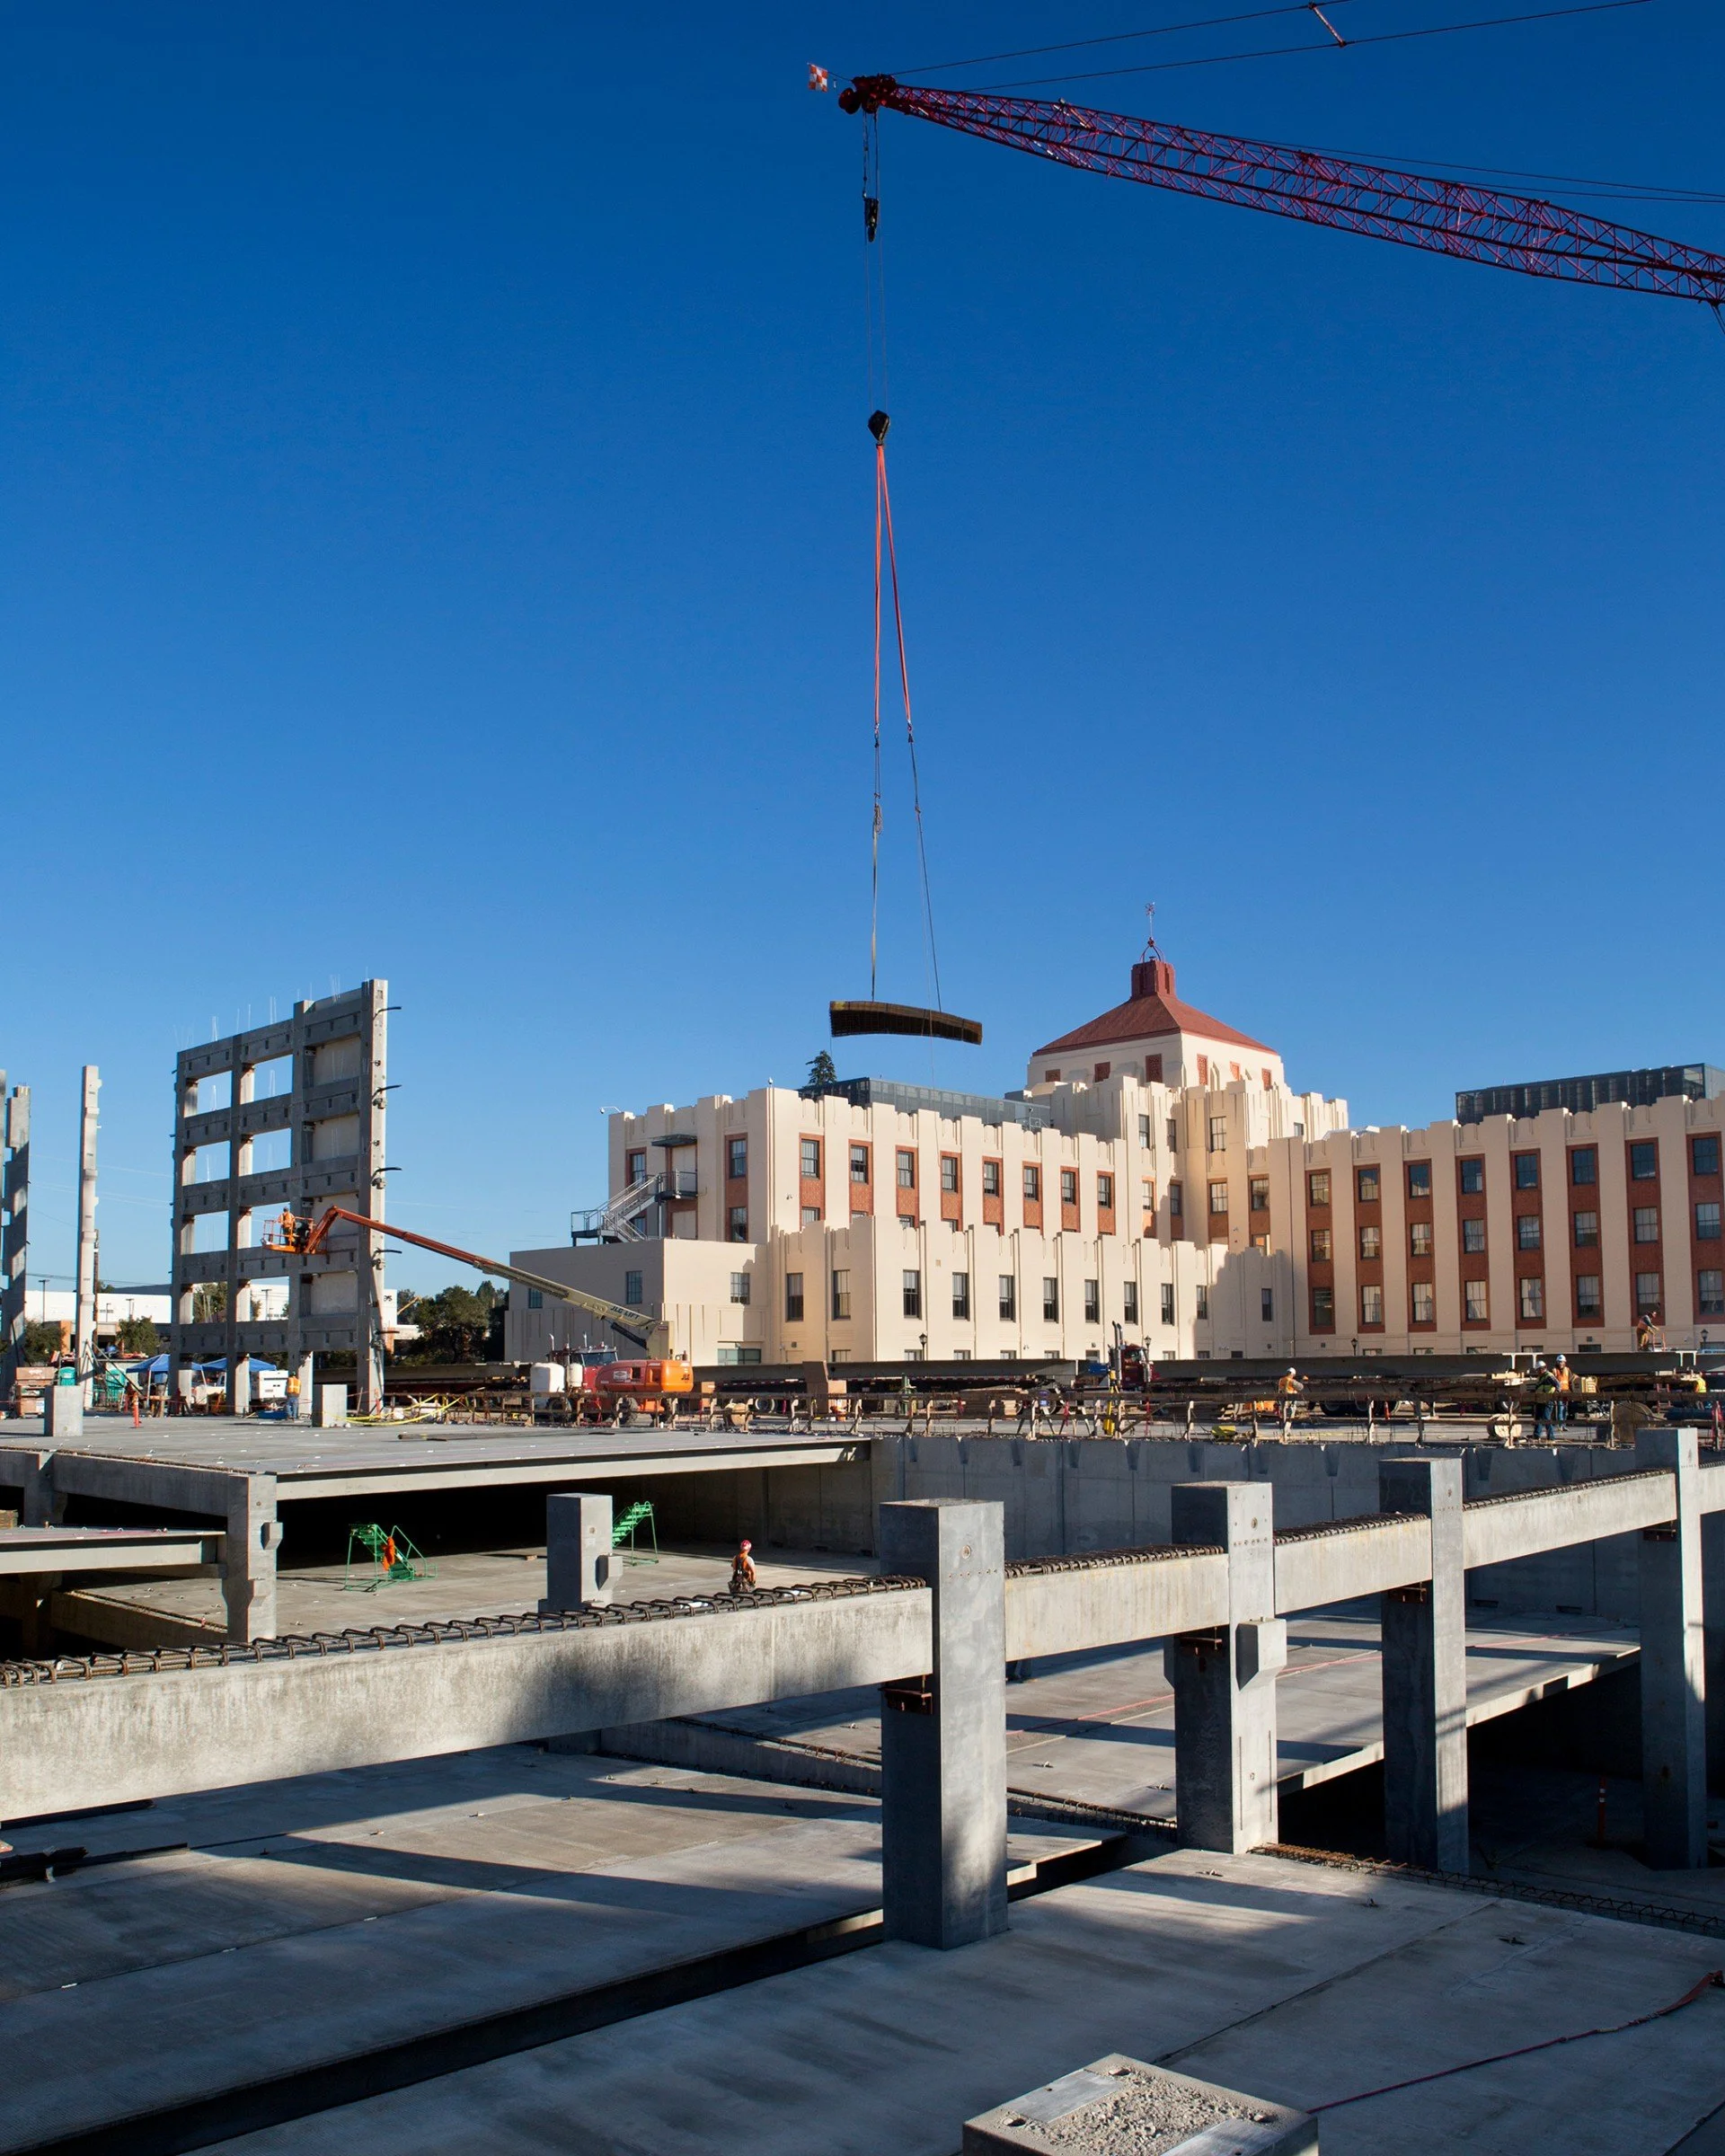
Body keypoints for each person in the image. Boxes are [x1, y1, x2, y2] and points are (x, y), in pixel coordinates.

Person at [1277, 1365, 1305, 1436]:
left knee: (1284, 1415)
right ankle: (1286, 1431)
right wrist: (1301, 1381)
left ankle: (1286, 1431)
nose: (1293, 1376)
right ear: (1291, 1374)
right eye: (1293, 1375)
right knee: (1290, 1416)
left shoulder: (1281, 1380)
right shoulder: (1291, 1381)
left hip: (1282, 1400)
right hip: (1290, 1400)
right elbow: (1301, 1387)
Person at [1552, 1354, 1571, 1428]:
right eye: (1559, 1362)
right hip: (1559, 1392)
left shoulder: (1567, 1370)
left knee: (1565, 1409)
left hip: (1566, 1392)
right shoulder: (1554, 1370)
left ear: (1564, 1362)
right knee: (1560, 1408)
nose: (1561, 1363)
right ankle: (1561, 1425)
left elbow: (1570, 1380)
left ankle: (1564, 1425)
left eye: (1562, 1362)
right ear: (1557, 1362)